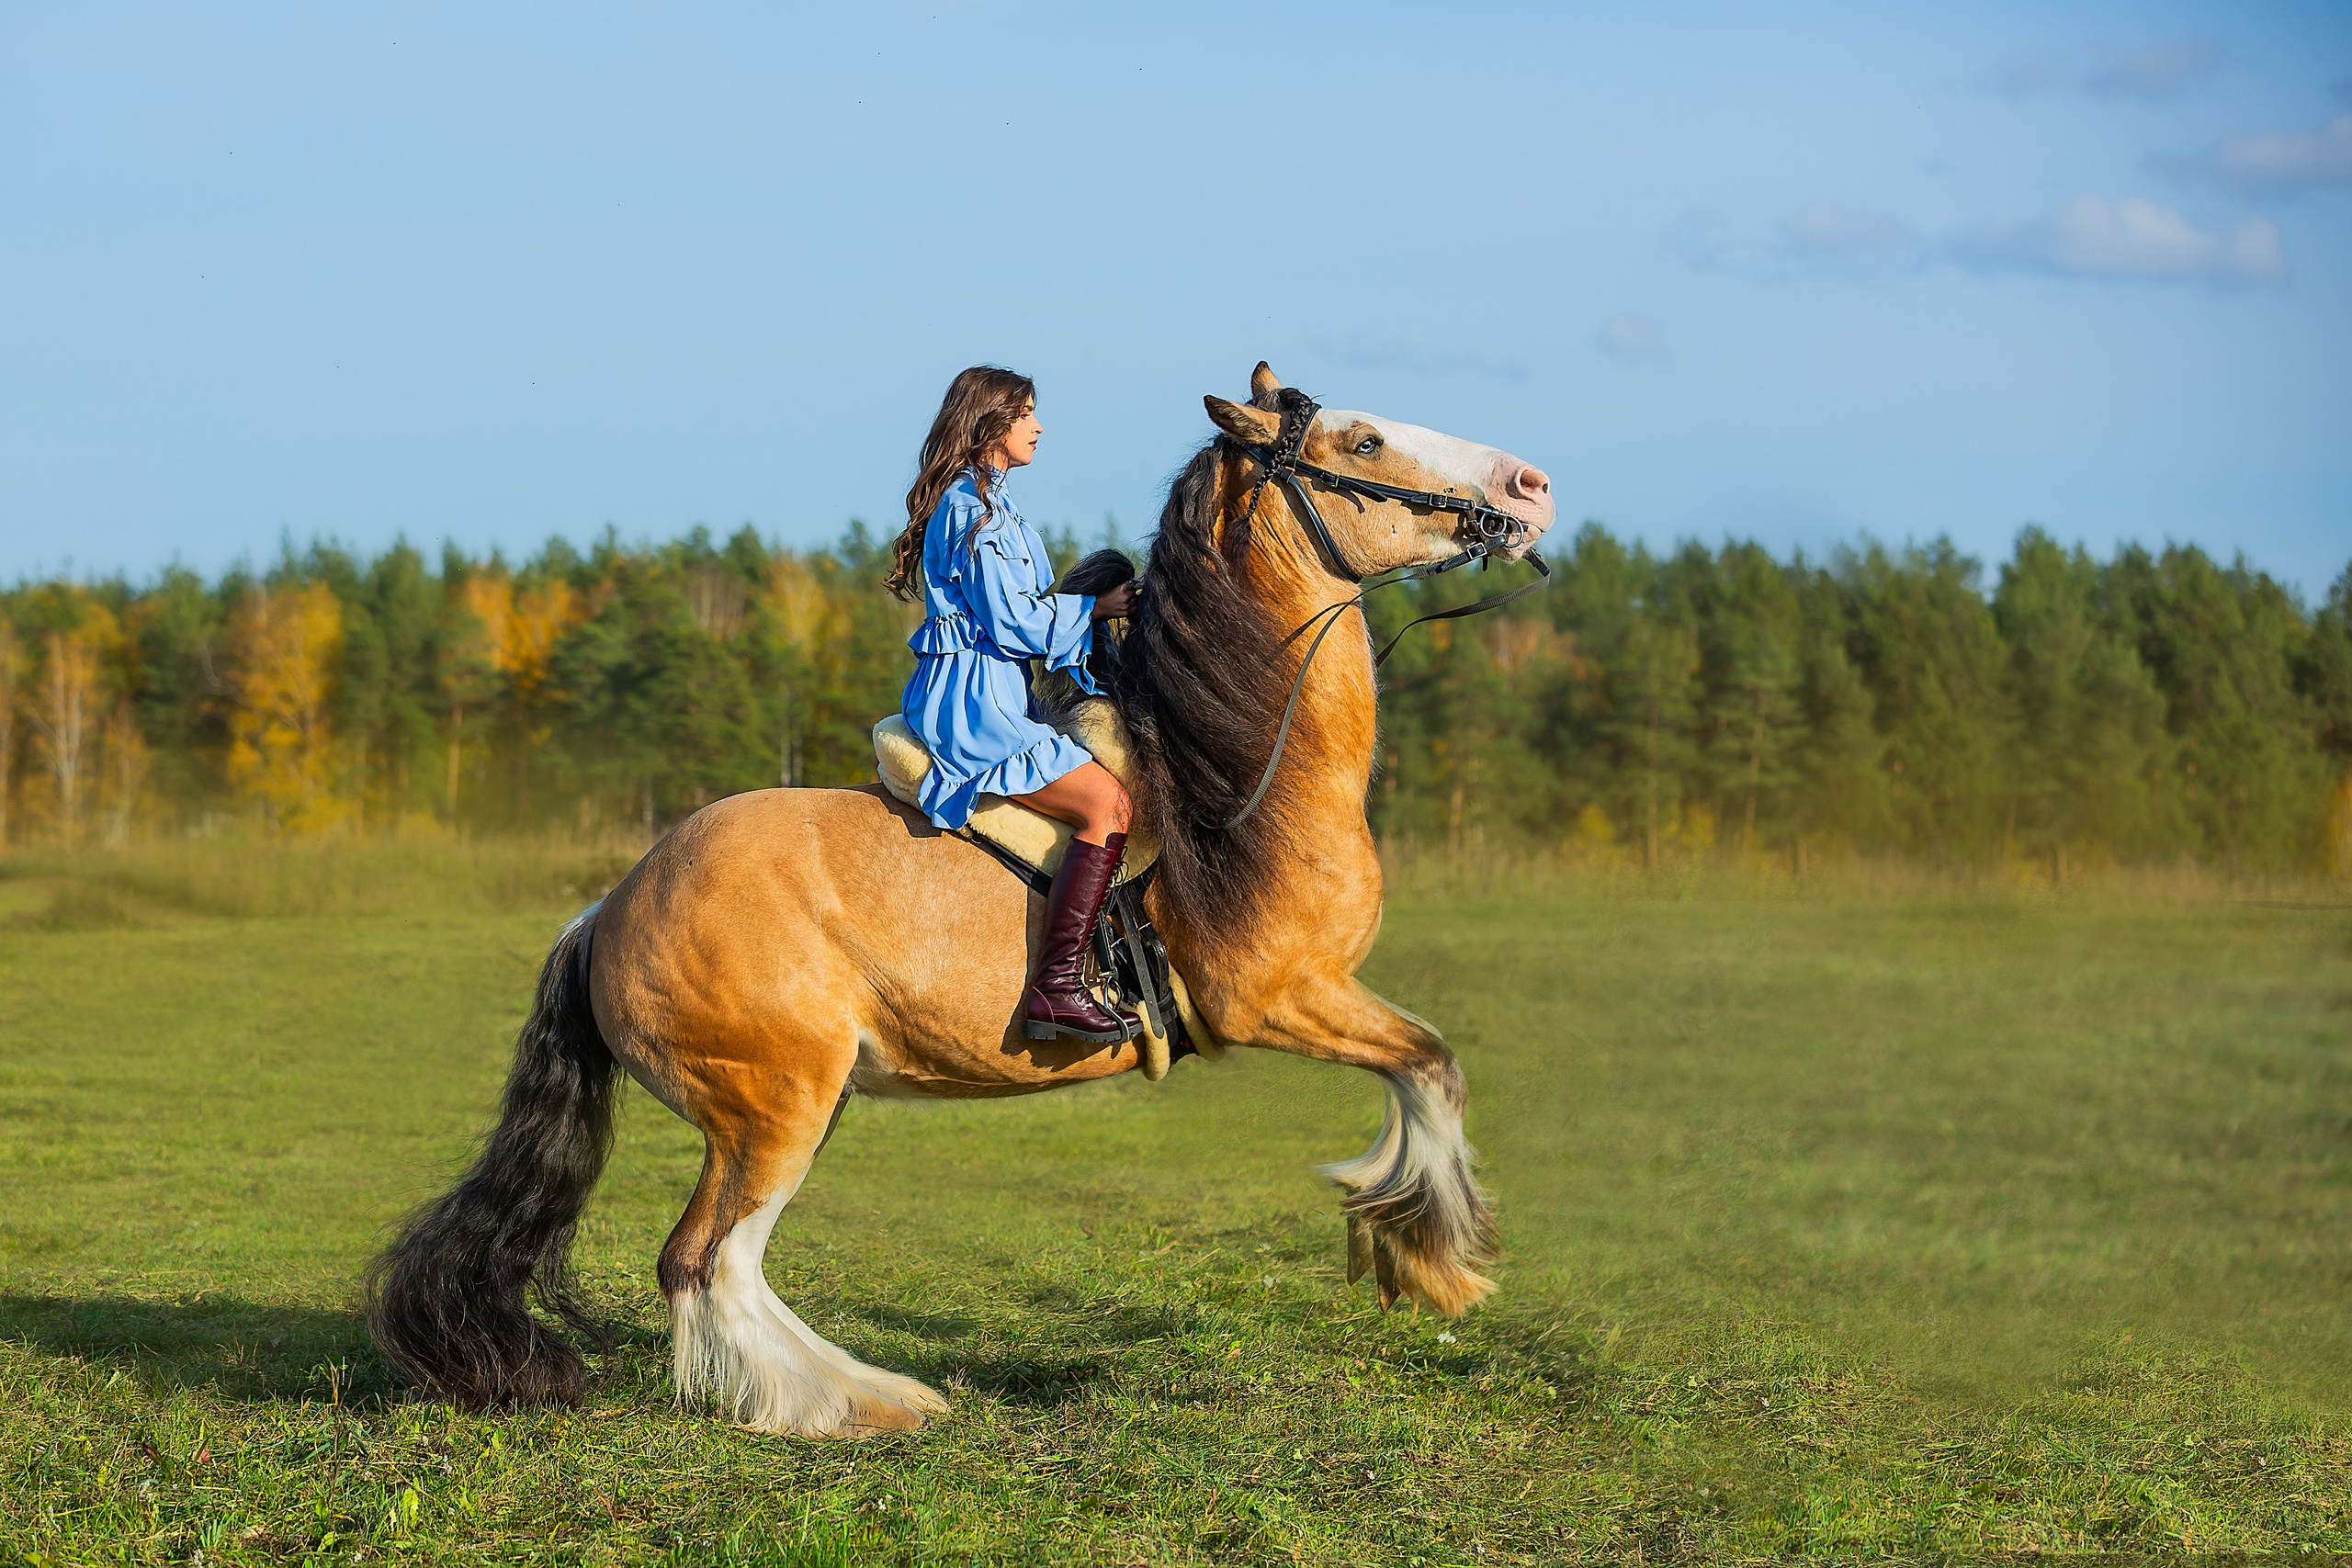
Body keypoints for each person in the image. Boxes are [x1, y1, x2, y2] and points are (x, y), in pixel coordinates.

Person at [886, 367, 1140, 1044]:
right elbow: (1014, 624)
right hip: (974, 701)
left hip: (993, 688)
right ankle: (1056, 987)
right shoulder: (975, 511)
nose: (1038, 424)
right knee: (1106, 805)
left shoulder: (988, 504)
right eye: (1025, 412)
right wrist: (1096, 606)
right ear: (991, 423)